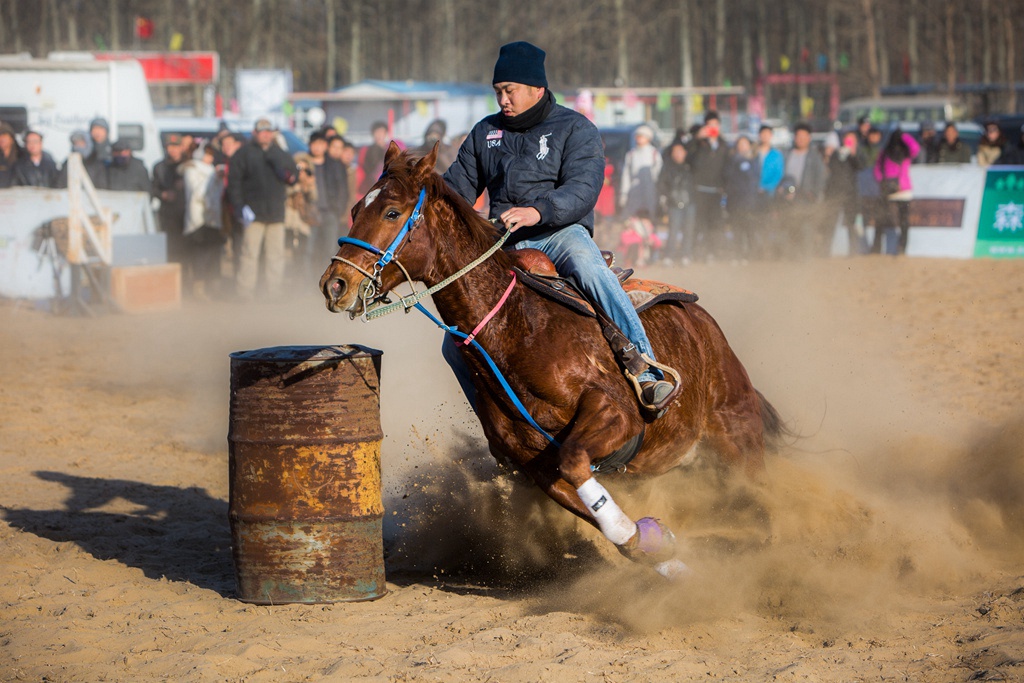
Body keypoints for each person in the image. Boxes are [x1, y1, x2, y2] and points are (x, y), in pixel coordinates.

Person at [442, 40, 677, 412]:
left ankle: (645, 371)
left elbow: (583, 189)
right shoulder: (484, 133)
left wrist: (537, 211)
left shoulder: (575, 128)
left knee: (588, 267)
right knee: (453, 343)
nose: (502, 100)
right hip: (502, 245)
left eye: (509, 91)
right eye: (498, 92)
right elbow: (455, 191)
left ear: (537, 89)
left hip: (560, 233)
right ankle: (498, 426)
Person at [227, 118, 298, 301]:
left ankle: (273, 292)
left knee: (276, 256)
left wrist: (282, 169)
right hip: (252, 214)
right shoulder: (243, 155)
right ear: (254, 133)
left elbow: (293, 177)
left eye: (269, 131)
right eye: (262, 130)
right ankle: (245, 293)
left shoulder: (281, 154)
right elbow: (234, 184)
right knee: (249, 254)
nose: (265, 134)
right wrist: (240, 207)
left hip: (276, 214)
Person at [179, 143, 225, 299]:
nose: (210, 158)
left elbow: (218, 193)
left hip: (213, 219)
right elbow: (197, 193)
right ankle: (199, 288)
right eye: (207, 154)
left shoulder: (212, 171)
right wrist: (212, 179)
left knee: (213, 254)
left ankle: (213, 287)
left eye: (211, 155)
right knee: (200, 255)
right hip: (198, 220)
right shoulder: (191, 170)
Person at [686, 110, 729, 260]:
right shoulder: (698, 144)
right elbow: (689, 160)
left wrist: (725, 186)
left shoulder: (723, 145)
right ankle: (697, 253)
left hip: (717, 191)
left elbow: (727, 167)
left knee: (715, 224)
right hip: (700, 190)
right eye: (709, 125)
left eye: (715, 125)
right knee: (699, 224)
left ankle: (714, 252)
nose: (713, 128)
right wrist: (698, 139)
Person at [781, 122, 828, 257]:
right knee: (789, 228)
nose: (801, 139)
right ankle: (790, 257)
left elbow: (821, 177)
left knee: (806, 229)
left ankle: (806, 258)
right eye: (798, 136)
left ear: (809, 138)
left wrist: (814, 194)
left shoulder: (814, 157)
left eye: (804, 136)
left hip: (807, 198)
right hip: (787, 199)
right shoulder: (786, 154)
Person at [872, 126, 920, 255]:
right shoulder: (887, 153)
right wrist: (882, 182)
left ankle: (902, 248)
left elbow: (916, 148)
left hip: (901, 190)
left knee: (903, 222)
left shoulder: (904, 152)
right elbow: (877, 169)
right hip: (890, 191)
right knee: (882, 220)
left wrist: (903, 136)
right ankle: (877, 248)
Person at [307, 130, 349, 269]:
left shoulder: (334, 165)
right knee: (308, 250)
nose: (317, 147)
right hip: (310, 213)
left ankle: (327, 279)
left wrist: (338, 209)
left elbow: (342, 189)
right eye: (314, 144)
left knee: (330, 250)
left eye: (321, 144)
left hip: (330, 212)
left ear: (325, 146)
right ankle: (306, 281)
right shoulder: (305, 163)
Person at [824, 131, 864, 255]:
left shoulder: (857, 154)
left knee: (852, 224)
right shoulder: (836, 153)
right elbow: (831, 167)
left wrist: (852, 155)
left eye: (851, 141)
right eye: (847, 140)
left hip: (850, 195)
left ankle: (853, 251)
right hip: (835, 194)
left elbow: (861, 166)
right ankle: (826, 251)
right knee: (830, 223)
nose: (848, 143)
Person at [151, 133, 187, 265]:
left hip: (186, 212)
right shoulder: (159, 167)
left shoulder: (189, 165)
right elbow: (153, 188)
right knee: (170, 248)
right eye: (170, 146)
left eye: (175, 146)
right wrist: (163, 195)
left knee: (187, 250)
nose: (172, 150)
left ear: (181, 148)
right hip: (168, 214)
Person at [723, 135, 760, 260]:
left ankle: (751, 255)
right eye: (740, 144)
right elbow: (727, 177)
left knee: (749, 229)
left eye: (744, 144)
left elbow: (753, 180)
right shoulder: (732, 160)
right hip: (735, 201)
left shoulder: (754, 161)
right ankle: (738, 255)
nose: (742, 146)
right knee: (736, 229)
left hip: (749, 202)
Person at [656, 140, 693, 264]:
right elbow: (661, 184)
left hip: (690, 202)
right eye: (675, 151)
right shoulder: (667, 167)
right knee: (673, 230)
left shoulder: (691, 166)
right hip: (673, 203)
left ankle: (686, 255)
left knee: (688, 229)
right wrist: (669, 196)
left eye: (680, 151)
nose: (678, 154)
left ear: (685, 152)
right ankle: (669, 255)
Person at [619, 124, 662, 220]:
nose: (638, 138)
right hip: (634, 194)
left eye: (641, 136)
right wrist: (624, 194)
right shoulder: (631, 154)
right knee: (632, 220)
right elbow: (626, 176)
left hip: (650, 193)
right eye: (637, 136)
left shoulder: (654, 154)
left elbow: (659, 175)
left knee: (650, 220)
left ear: (648, 138)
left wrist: (661, 195)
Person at [357, 121, 390, 195]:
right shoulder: (366, 150)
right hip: (370, 185)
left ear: (386, 133)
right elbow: (363, 167)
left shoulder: (390, 149)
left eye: (381, 132)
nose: (379, 135)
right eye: (377, 132)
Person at [84, 117, 112, 188]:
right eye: (95, 128)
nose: (97, 132)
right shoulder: (85, 152)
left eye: (101, 128)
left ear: (106, 131)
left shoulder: (114, 151)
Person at [0, 121, 20, 188]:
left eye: (4, 135)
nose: (1, 139)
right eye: (0, 136)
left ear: (12, 139)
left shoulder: (21, 155)